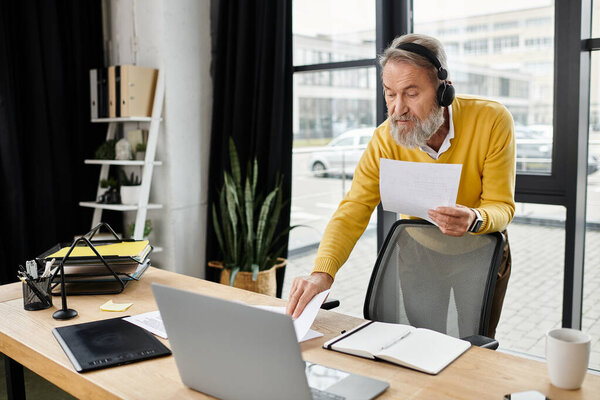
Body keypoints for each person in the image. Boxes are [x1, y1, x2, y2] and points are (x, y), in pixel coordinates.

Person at [286, 33, 515, 338]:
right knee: (422, 344)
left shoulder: (492, 120)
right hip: (420, 255)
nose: (397, 109)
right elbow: (353, 209)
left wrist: (475, 218)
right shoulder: (384, 138)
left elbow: (502, 206)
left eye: (411, 93)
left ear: (443, 89)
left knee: (474, 350)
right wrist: (321, 273)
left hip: (481, 250)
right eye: (390, 94)